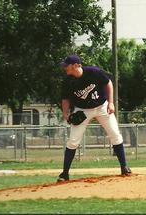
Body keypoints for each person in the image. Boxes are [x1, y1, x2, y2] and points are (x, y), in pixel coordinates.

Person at [57, 54, 131, 182]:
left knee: (115, 135)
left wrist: (111, 102)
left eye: (67, 65)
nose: (65, 68)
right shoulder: (67, 81)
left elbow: (109, 83)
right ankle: (64, 174)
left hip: (102, 107)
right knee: (73, 141)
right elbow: (65, 99)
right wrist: (65, 113)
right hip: (82, 110)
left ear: (76, 65)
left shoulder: (93, 72)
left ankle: (124, 167)